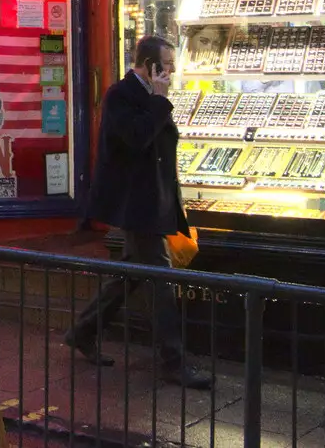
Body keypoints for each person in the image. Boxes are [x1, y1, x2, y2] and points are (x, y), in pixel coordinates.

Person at [65, 35, 212, 389]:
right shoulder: (121, 95)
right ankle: (173, 361)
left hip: (152, 200)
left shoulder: (148, 96)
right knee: (160, 279)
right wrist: (160, 103)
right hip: (136, 203)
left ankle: (83, 331)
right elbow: (137, 138)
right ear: (149, 65)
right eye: (167, 65)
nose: (173, 71)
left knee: (130, 273)